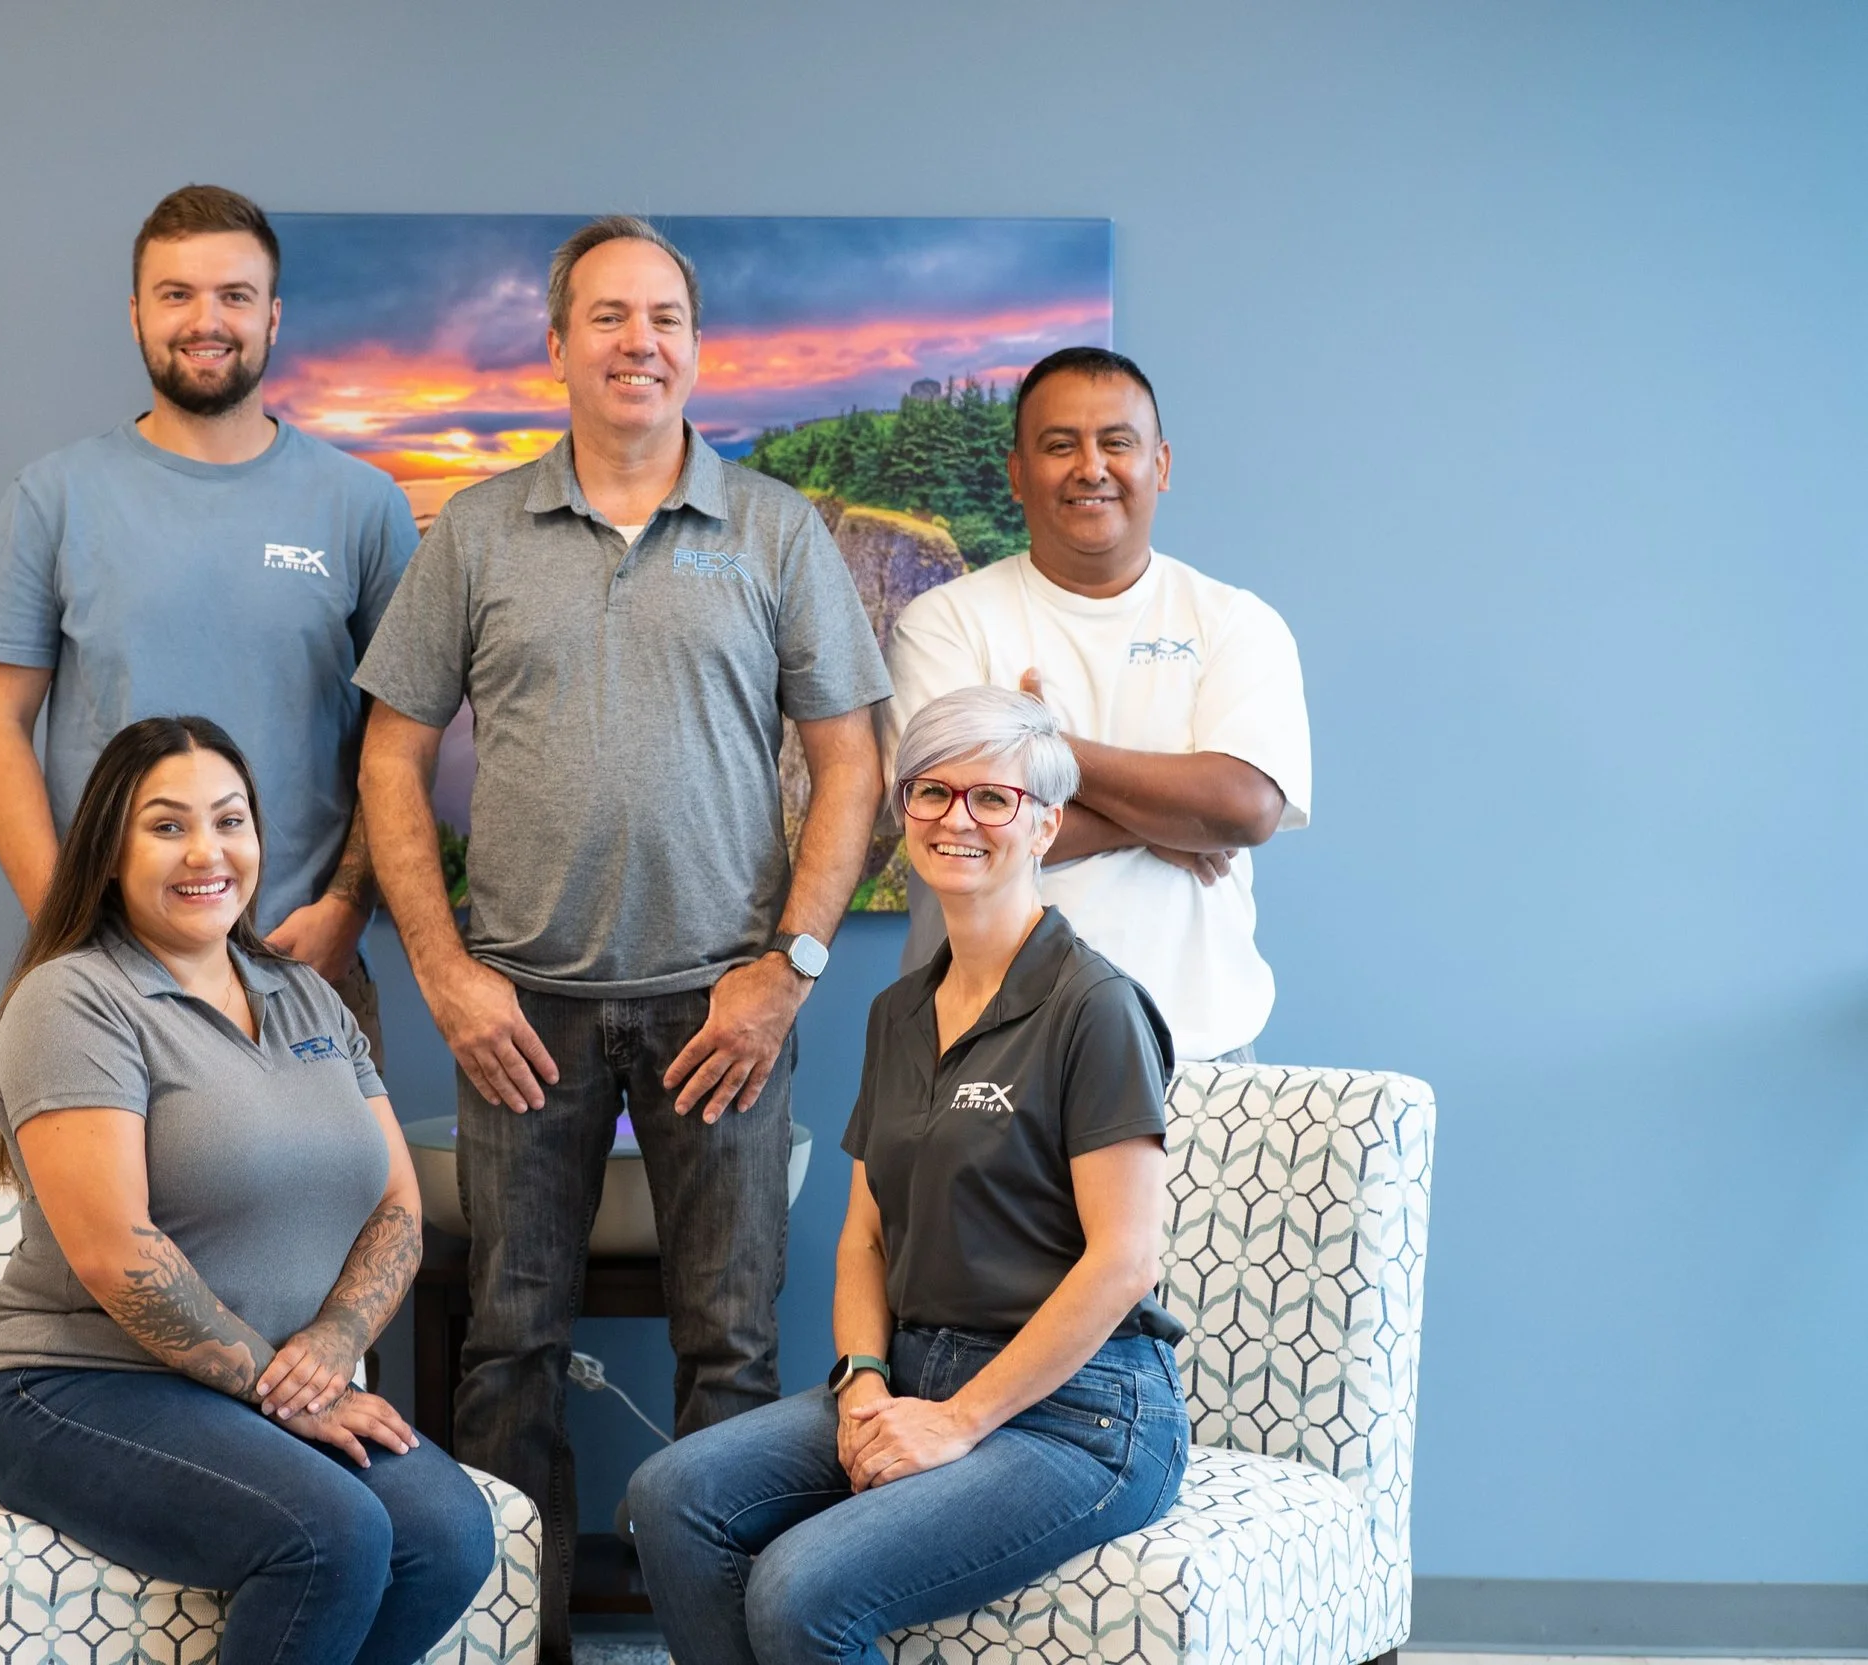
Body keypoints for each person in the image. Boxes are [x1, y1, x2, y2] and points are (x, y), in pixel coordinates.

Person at [353, 215, 891, 1661]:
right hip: (520, 1012)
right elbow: (390, 754)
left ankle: (718, 1643)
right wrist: (444, 972)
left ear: (697, 347)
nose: (637, 341)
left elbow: (851, 759)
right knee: (508, 1346)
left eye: (663, 317)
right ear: (558, 346)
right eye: (607, 316)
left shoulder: (774, 529)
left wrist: (790, 971)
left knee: (734, 1351)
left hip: (726, 1012)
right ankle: (509, 1643)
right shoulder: (478, 532)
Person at [626, 687, 1190, 1665]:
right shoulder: (897, 1014)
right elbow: (866, 1237)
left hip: (1080, 1413)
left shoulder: (1093, 1006)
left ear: (1045, 824)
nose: (955, 818)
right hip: (914, 1370)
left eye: (992, 797)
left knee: (800, 1588)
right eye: (931, 791)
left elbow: (1124, 1261)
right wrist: (862, 1381)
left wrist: (959, 1421)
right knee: (670, 1497)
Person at [0, 715, 493, 1665]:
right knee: (332, 1535)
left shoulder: (306, 993)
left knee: (448, 1534)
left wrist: (335, 1343)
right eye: (167, 825)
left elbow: (397, 1205)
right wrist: (283, 1391)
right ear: (110, 852)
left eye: (230, 819)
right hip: (83, 1390)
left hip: (270, 1386)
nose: (207, 851)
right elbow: (117, 1251)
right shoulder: (74, 1000)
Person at [0, 184, 416, 1055]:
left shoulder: (362, 506)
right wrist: (66, 928)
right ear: (136, 315)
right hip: (106, 977)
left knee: (358, 1159)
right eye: (177, 295)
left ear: (273, 316)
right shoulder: (54, 498)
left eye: (235, 295)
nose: (207, 321)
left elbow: (401, 734)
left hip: (307, 967)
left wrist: (346, 908)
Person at [881, 347, 1311, 1062]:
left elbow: (1244, 809)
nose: (1091, 467)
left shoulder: (1235, 622)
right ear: (1017, 473)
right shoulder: (944, 623)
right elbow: (960, 829)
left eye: (1117, 442)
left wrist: (1046, 749)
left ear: (1160, 464)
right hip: (984, 1042)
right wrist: (1171, 820)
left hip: (1196, 1047)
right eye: (1059, 446)